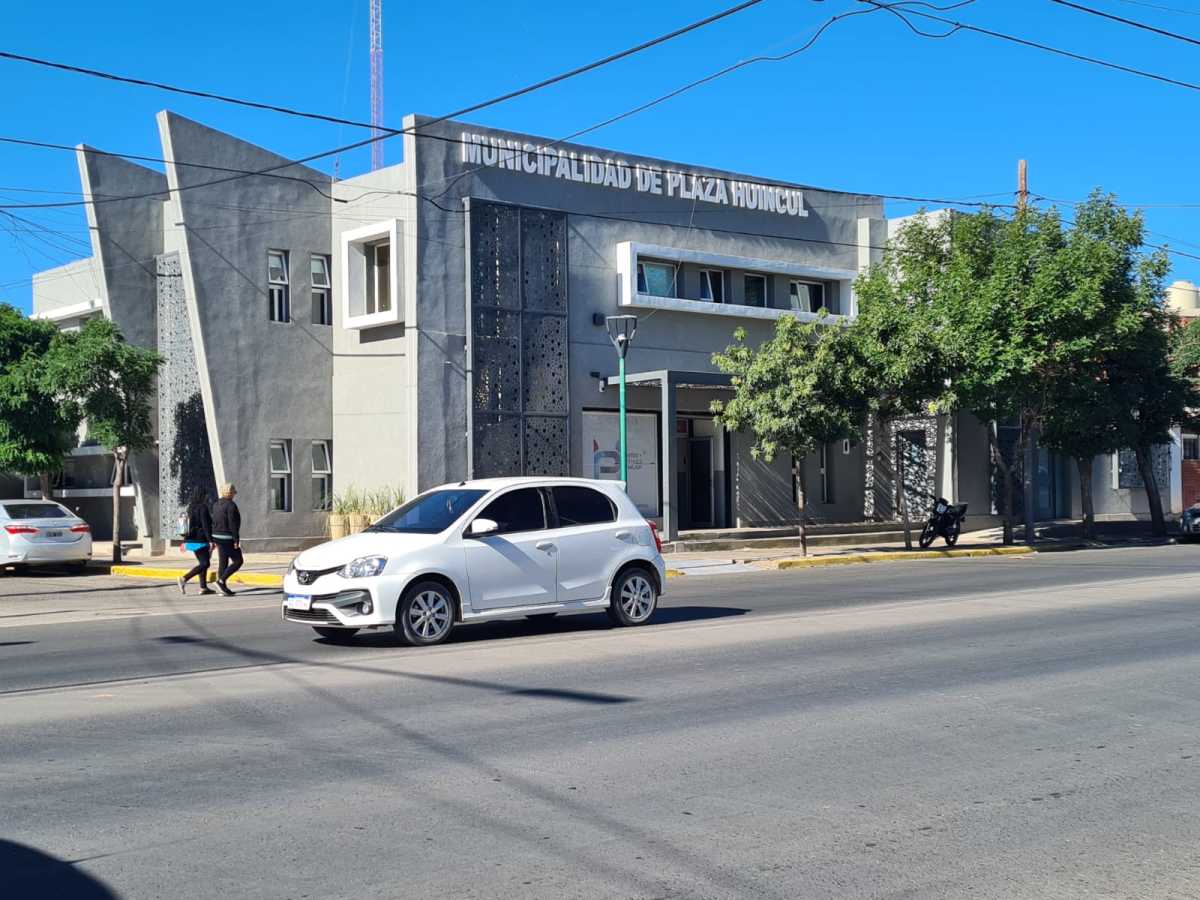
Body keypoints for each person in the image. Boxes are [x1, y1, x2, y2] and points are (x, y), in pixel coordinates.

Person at [178, 487, 215, 595]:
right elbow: (205, 525)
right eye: (205, 495)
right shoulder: (203, 508)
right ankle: (184, 578)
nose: (206, 497)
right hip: (200, 539)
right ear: (202, 496)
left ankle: (203, 587)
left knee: (202, 563)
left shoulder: (190, 507)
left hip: (191, 540)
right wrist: (210, 540)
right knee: (205, 563)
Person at [210, 482, 243, 596]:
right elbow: (233, 524)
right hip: (227, 537)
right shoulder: (231, 505)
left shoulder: (216, 504)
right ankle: (221, 581)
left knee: (223, 562)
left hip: (217, 536)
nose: (234, 494)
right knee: (238, 561)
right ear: (231, 493)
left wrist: (212, 537)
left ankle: (222, 588)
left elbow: (214, 520)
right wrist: (236, 540)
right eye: (234, 492)